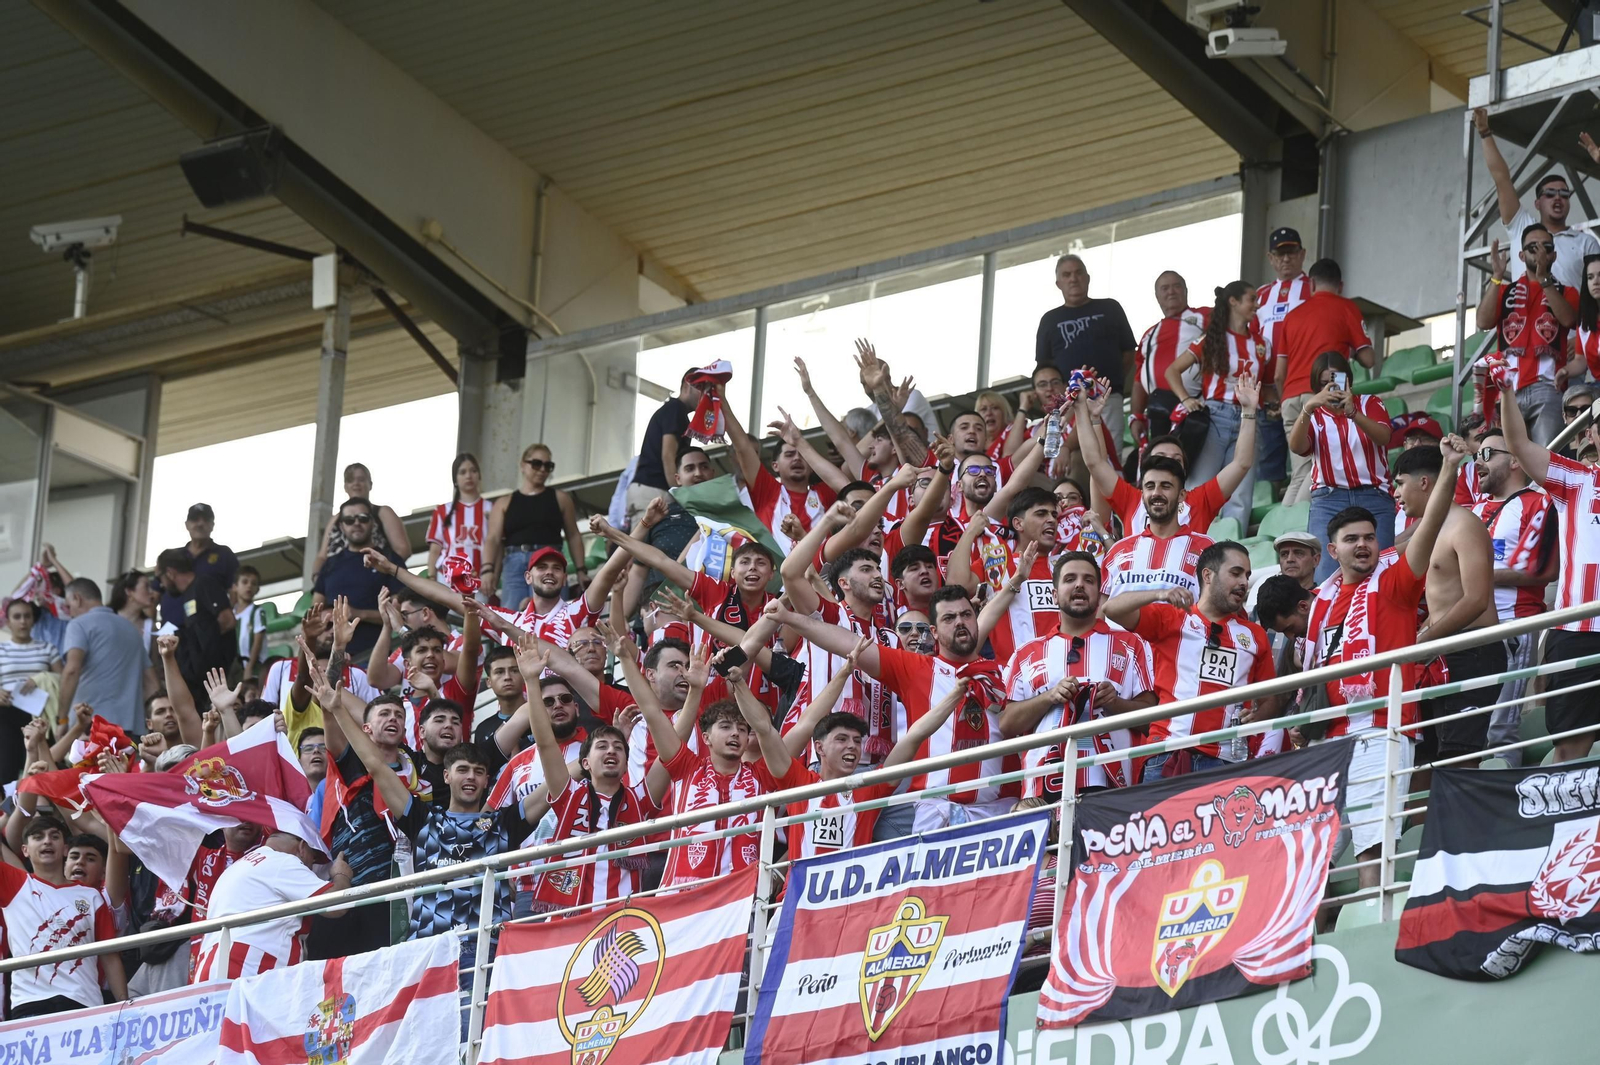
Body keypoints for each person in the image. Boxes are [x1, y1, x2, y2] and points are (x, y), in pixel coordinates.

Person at [1303, 443, 1459, 890]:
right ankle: (1318, 928)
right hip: (1329, 736)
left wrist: (1449, 467)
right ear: (1333, 550)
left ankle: (1373, 918)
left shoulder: (1394, 583)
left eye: (1370, 537)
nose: (1363, 545)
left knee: (1372, 846)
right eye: (1352, 539)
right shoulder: (1321, 601)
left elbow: (1431, 524)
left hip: (1381, 729)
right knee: (1315, 854)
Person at [771, 587, 1014, 834]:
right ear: (934, 632)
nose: (959, 622)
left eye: (966, 615)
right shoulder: (915, 668)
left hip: (999, 809)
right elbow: (848, 642)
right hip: (938, 813)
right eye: (949, 618)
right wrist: (789, 617)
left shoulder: (1000, 673)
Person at [1492, 379, 1600, 763]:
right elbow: (1519, 444)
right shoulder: (1576, 478)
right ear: (1591, 435)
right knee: (1569, 747)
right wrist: (1508, 393)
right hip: (1576, 632)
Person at [1105, 542, 1279, 779]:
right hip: (1167, 752)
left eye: (1247, 576)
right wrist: (1159, 594)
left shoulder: (1255, 635)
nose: (1243, 583)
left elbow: (1270, 700)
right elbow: (1112, 608)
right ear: (1207, 575)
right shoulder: (1172, 618)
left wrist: (1256, 718)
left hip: (1226, 760)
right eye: (1235, 573)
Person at [998, 552, 1158, 796]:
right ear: (1054, 594)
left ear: (1099, 594)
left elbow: (1153, 721)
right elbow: (1007, 725)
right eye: (1070, 579)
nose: (1079, 585)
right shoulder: (1025, 653)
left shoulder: (1132, 644)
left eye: (1089, 580)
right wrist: (1049, 697)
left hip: (1113, 788)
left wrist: (1115, 702)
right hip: (1042, 789)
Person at [1471, 426, 1559, 764]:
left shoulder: (1538, 503)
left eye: (1488, 454)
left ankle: (1504, 791)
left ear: (1515, 461)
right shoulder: (1473, 509)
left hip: (1512, 624)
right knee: (1471, 725)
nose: (1478, 462)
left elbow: (1544, 571)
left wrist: (1476, 576)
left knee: (1500, 726)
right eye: (1477, 454)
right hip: (1470, 627)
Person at [1166, 281, 1270, 528]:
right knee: (1199, 486)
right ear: (1233, 301)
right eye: (1252, 299)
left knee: (1241, 494)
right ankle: (1188, 539)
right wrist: (1186, 399)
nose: (1257, 305)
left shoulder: (1262, 344)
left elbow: (1266, 385)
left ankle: (1232, 545)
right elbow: (1172, 371)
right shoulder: (1212, 339)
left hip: (1249, 419)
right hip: (1215, 416)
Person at [1274, 260, 1378, 505]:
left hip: (1290, 397)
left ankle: (1284, 521)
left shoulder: (1292, 316)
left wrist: (1284, 400)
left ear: (1311, 283)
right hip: (1325, 392)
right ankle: (1298, 522)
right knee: (1319, 466)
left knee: (1300, 472)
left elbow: (1278, 374)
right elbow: (1369, 359)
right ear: (1341, 285)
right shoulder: (1346, 307)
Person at [0, 813, 126, 1015]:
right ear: (25, 850)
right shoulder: (13, 884)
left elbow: (109, 956)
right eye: (38, 837)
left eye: (54, 836)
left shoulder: (91, 896)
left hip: (84, 1001)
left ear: (65, 848)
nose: (47, 841)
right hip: (30, 1002)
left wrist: (124, 1006)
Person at [1288, 350, 1396, 580]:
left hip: (1374, 495)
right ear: (1316, 386)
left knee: (1382, 573)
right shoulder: (1313, 414)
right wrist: (1308, 407)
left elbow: (1384, 437)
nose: (1331, 388)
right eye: (1323, 384)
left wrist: (1353, 412)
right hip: (1329, 499)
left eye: (1336, 380)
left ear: (1348, 379)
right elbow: (1297, 447)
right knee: (1326, 576)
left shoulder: (1369, 402)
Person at [191, 831, 351, 982]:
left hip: (209, 970)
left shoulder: (233, 869)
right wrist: (341, 875)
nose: (311, 866)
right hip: (252, 967)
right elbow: (336, 905)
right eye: (313, 858)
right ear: (302, 848)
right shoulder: (283, 861)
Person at [1475, 107, 1600, 289]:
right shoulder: (1522, 226)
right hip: (1524, 309)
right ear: (1537, 203)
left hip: (1569, 309)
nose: (1558, 198)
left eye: (1564, 194)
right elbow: (1501, 179)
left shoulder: (1586, 242)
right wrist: (1485, 133)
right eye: (1550, 194)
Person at [1477, 227, 1578, 445]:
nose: (1539, 252)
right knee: (1508, 459)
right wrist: (1496, 277)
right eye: (1532, 247)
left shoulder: (1566, 291)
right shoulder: (1505, 291)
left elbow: (1569, 319)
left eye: (1545, 247)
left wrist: (1544, 280)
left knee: (1546, 458)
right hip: (1508, 390)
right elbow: (1482, 322)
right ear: (1521, 256)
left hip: (1547, 388)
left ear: (1553, 256)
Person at [1035, 254, 1138, 450]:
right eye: (1067, 275)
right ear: (1058, 283)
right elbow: (1044, 367)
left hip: (1106, 398)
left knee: (1109, 454)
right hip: (1067, 403)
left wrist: (1106, 384)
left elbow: (1129, 352)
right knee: (1067, 455)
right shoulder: (1049, 320)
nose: (1073, 279)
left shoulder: (1110, 308)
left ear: (1088, 278)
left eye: (1078, 273)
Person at [483, 444, 588, 611]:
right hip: (515, 563)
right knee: (513, 616)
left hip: (549, 560)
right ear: (523, 465)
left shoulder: (561, 498)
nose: (542, 469)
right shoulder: (504, 502)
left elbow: (573, 535)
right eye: (537, 464)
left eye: (548, 465)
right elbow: (493, 539)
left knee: (553, 615)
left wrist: (581, 570)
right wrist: (487, 569)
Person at [313, 499, 405, 656]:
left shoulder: (389, 560)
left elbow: (400, 613)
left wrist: (359, 614)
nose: (356, 523)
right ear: (341, 526)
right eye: (349, 520)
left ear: (372, 522)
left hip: (372, 655)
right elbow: (315, 611)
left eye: (363, 518)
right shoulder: (329, 565)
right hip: (331, 657)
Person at [58, 578, 147, 735]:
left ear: (77, 599)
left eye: (68, 606)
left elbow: (72, 670)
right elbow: (151, 680)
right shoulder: (132, 629)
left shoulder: (78, 625)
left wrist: (62, 719)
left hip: (91, 724)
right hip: (131, 726)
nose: (69, 613)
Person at [1133, 270, 1207, 455]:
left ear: (1186, 291)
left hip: (1196, 407)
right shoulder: (1149, 334)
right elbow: (1138, 379)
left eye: (1176, 286)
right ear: (1157, 296)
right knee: (1162, 462)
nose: (1171, 291)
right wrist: (1136, 416)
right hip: (1157, 411)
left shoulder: (1205, 316)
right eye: (1165, 288)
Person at [155, 548, 236, 703]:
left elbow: (227, 620)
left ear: (170, 573)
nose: (161, 584)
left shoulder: (204, 583)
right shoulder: (188, 593)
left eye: (160, 577)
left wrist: (205, 651)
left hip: (220, 676)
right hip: (206, 679)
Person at [628, 369, 704, 527]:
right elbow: (668, 455)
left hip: (651, 489)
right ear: (687, 385)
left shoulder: (675, 411)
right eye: (700, 388)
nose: (704, 395)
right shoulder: (675, 410)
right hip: (654, 490)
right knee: (645, 542)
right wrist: (678, 492)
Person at [312, 464, 411, 576]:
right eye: (350, 480)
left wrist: (382, 572)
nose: (356, 483)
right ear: (345, 487)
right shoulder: (335, 519)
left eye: (361, 479)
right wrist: (317, 578)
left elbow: (402, 549)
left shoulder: (382, 512)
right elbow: (322, 556)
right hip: (337, 580)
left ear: (370, 484)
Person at [158, 503, 239, 630]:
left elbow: (236, 592)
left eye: (206, 519)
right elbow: (154, 593)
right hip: (170, 632)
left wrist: (224, 625)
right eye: (195, 519)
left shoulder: (224, 554)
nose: (200, 524)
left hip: (206, 633)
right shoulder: (172, 557)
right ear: (187, 525)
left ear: (212, 525)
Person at [425, 452, 493, 587]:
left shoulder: (491, 508)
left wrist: (492, 574)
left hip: (480, 580)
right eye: (462, 472)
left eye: (473, 471)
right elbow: (435, 549)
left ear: (479, 475)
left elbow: (497, 546)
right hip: (446, 579)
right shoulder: (442, 511)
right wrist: (432, 578)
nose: (468, 476)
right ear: (455, 479)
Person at [1254, 227, 1311, 351]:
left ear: (1302, 254)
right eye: (1280, 254)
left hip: (1305, 363)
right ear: (1270, 258)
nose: (1286, 259)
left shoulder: (1314, 289)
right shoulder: (1260, 294)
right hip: (1267, 363)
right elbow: (1249, 335)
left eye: (1291, 252)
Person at [230, 565, 267, 681]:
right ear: (235, 587)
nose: (249, 586)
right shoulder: (231, 614)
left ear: (258, 589)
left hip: (254, 669)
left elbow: (257, 642)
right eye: (245, 582)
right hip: (236, 670)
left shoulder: (257, 612)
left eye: (253, 583)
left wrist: (249, 667)